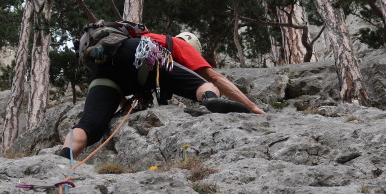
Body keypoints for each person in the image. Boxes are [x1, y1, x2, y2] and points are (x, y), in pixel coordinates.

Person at [59, 25, 265, 160]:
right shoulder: (179, 44)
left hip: (104, 71)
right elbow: (215, 78)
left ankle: (62, 160)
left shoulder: (120, 41)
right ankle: (211, 100)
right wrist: (253, 107)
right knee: (204, 85)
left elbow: (119, 95)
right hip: (144, 54)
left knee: (89, 124)